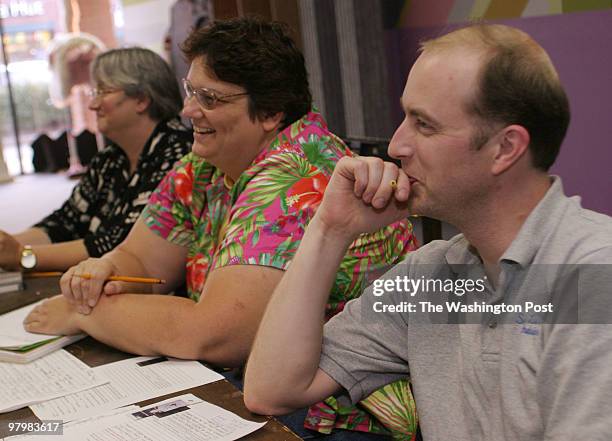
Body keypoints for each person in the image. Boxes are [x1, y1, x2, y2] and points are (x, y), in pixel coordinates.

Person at [24, 18, 416, 428]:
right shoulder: (207, 160)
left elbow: (215, 336)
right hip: (252, 385)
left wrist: (85, 313)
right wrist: (106, 269)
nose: (188, 110)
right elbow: (141, 259)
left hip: (330, 411)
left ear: (269, 112)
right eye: (190, 90)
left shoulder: (296, 177)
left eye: (209, 99)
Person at [244, 24, 612, 440]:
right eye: (405, 117)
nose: (397, 145)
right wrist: (330, 230)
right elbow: (271, 391)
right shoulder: (432, 275)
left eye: (424, 124)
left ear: (505, 149)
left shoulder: (593, 277)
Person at [0, 48, 192, 272]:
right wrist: (7, 245)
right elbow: (65, 222)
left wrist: (23, 256)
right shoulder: (109, 159)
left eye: (104, 91)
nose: (93, 104)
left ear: (141, 99)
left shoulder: (178, 153)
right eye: (95, 92)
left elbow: (119, 244)